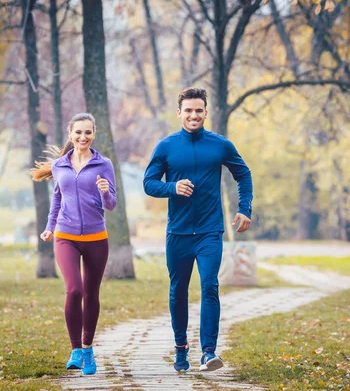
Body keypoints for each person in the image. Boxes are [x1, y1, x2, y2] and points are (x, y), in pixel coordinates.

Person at [143, 88, 253, 372]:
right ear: (179, 113)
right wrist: (172, 188)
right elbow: (149, 183)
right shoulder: (166, 147)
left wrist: (245, 208)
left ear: (206, 113)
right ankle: (181, 348)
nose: (194, 115)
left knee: (210, 286)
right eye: (188, 110)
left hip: (209, 231)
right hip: (178, 233)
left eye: (199, 111)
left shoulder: (220, 145)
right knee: (178, 291)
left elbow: (243, 173)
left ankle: (208, 352)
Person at [31, 113, 116, 375]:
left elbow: (111, 204)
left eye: (88, 132)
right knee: (74, 290)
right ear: (70, 133)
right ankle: (76, 349)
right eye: (78, 132)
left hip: (96, 239)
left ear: (94, 134)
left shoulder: (104, 164)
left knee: (91, 294)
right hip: (65, 236)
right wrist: (49, 228)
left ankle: (89, 350)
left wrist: (104, 190)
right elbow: (57, 199)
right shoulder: (60, 166)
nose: (83, 137)